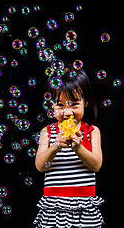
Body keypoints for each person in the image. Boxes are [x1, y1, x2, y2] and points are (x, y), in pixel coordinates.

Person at [33, 64, 105, 228]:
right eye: (60, 104)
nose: (67, 112)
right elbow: (39, 166)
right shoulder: (47, 132)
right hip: (53, 205)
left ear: (85, 102)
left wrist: (78, 148)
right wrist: (55, 146)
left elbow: (96, 165)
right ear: (52, 105)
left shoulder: (92, 132)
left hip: (84, 205)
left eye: (74, 104)